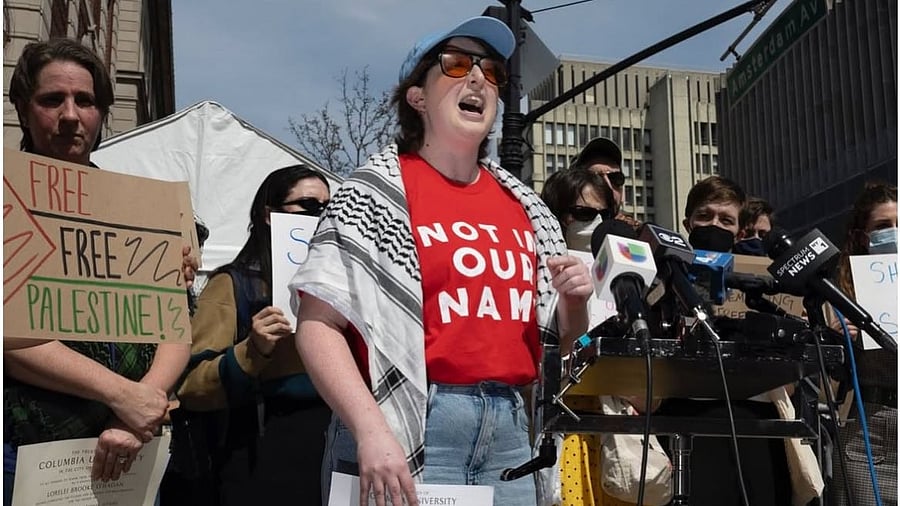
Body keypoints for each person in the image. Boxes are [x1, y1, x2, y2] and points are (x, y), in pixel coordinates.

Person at [291, 16, 592, 506]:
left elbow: (566, 345)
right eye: (456, 65)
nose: (478, 78)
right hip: (406, 422)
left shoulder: (529, 211)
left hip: (512, 436)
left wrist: (575, 300)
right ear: (418, 97)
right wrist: (369, 430)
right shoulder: (373, 195)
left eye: (491, 72)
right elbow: (317, 326)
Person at [3, 38, 195, 504]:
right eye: (53, 100)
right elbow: (8, 333)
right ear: (24, 109)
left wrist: (138, 407)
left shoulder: (145, 210)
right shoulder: (6, 199)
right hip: (27, 450)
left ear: (101, 112)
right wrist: (122, 396)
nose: (71, 115)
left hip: (131, 445)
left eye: (85, 100)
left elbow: (175, 324)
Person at [173, 165, 333, 505]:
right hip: (260, 456)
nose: (320, 216)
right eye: (307, 205)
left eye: (327, 208)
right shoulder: (232, 285)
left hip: (334, 449)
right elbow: (189, 384)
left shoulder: (340, 289)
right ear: (270, 215)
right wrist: (252, 351)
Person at [654, 175, 794, 505]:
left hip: (754, 425)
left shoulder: (764, 281)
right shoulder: (661, 276)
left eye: (725, 219)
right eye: (705, 216)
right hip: (680, 421)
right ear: (688, 223)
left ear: (739, 231)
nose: (714, 224)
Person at [540, 168, 638, 506]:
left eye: (605, 215)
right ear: (557, 214)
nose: (596, 223)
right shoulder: (539, 270)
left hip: (618, 431)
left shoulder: (627, 278)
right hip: (563, 427)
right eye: (584, 213)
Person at [828, 181, 897, 506]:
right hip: (872, 429)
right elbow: (828, 379)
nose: (894, 233)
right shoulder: (841, 293)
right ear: (861, 236)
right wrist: (839, 340)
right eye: (883, 226)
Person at [571, 136, 641, 230]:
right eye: (596, 178)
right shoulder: (553, 235)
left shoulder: (640, 238)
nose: (608, 186)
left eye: (616, 178)